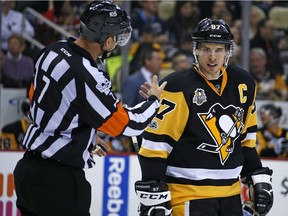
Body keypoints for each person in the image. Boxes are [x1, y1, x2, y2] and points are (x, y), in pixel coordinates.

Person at [13, 1, 167, 216]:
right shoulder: (87, 75)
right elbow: (129, 124)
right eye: (118, 37)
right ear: (108, 39)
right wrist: (154, 101)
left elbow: (40, 100)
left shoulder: (52, 50)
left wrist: (83, 134)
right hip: (58, 182)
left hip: (27, 170)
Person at [134, 18, 273, 216]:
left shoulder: (244, 84)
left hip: (232, 197)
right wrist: (153, 189)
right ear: (195, 50)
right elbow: (155, 147)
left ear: (228, 52)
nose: (212, 57)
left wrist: (256, 175)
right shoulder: (177, 86)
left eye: (218, 50)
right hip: (188, 197)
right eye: (206, 49)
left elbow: (246, 142)